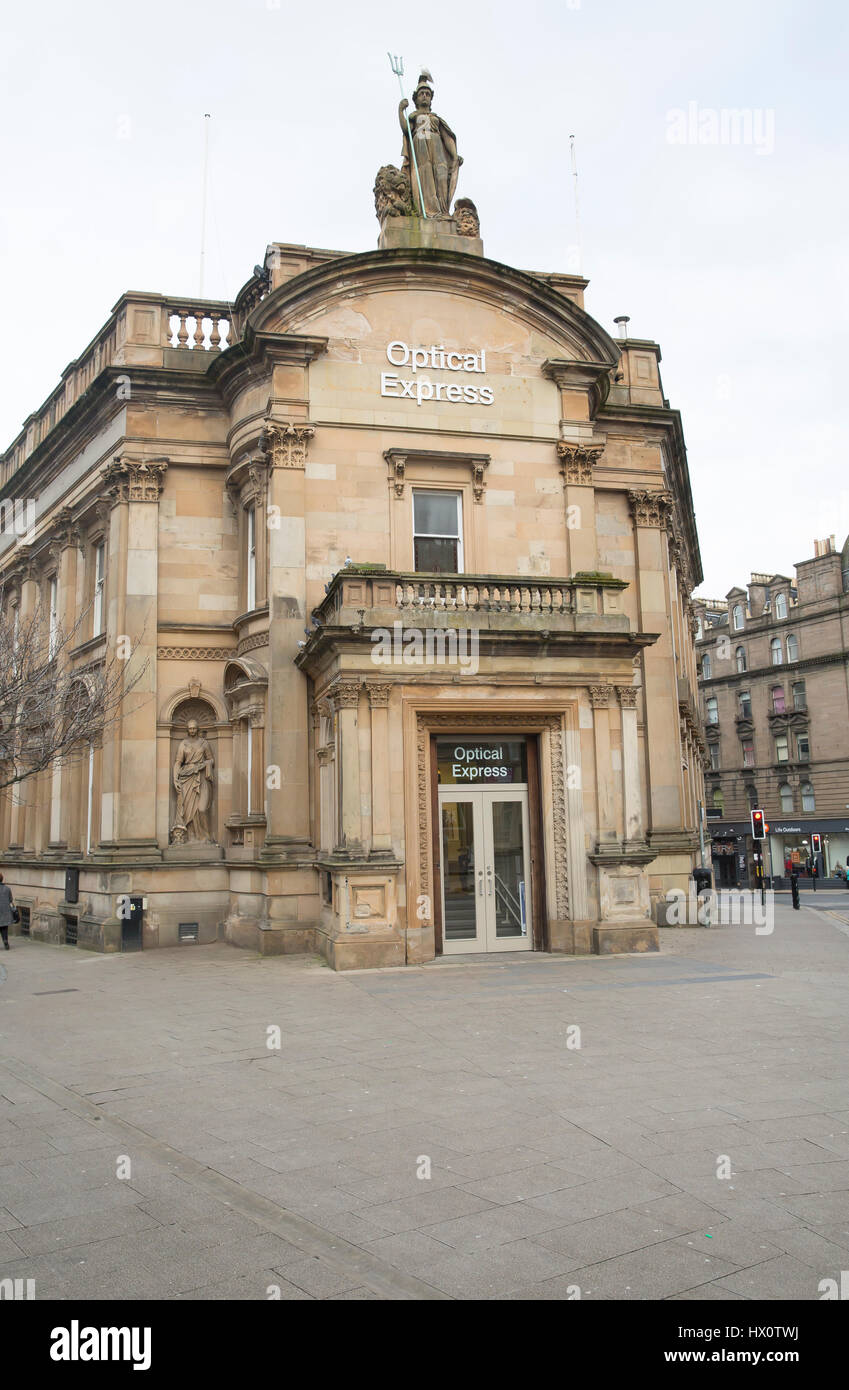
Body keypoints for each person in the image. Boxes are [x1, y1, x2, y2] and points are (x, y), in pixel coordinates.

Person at [0, 872, 15, 950]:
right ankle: (5, 941)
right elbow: (10, 900)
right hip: (5, 911)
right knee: (4, 927)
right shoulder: (7, 888)